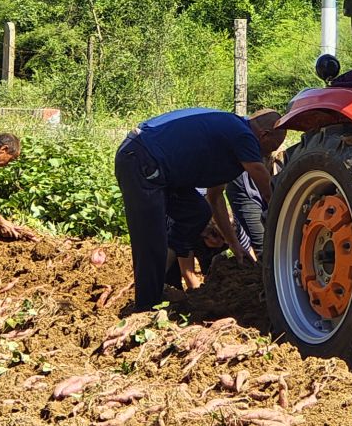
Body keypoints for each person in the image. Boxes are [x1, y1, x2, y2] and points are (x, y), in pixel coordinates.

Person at [116, 109, 285, 311]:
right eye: (269, 149)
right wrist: (284, 219)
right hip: (141, 158)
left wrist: (235, 245)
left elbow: (214, 199)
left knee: (196, 212)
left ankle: (166, 262)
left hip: (161, 169)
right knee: (150, 237)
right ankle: (145, 306)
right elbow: (266, 189)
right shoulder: (243, 134)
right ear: (264, 134)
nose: (266, 156)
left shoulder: (230, 145)